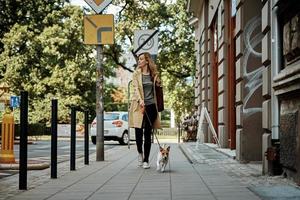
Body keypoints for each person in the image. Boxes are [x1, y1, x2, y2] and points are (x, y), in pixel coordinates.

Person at [129, 52, 161, 169]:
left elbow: (157, 90)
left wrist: (158, 83)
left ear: (147, 61)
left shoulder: (154, 74)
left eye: (141, 59)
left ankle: (146, 160)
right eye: (138, 59)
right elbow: (136, 88)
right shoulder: (136, 74)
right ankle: (140, 153)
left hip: (151, 106)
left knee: (147, 133)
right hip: (139, 106)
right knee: (138, 132)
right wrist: (140, 99)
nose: (139, 61)